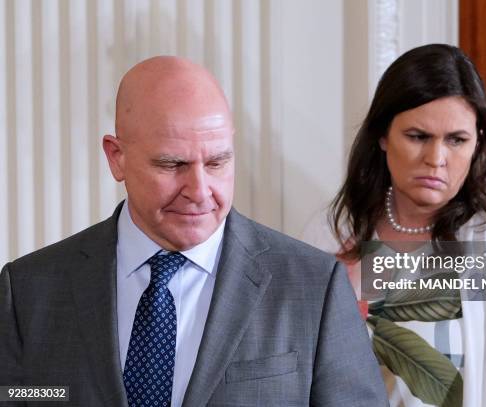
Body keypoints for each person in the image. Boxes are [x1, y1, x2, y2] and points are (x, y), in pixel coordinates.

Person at [0, 56, 388, 406]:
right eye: (172, 164)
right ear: (117, 158)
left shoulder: (313, 287)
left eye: (218, 162)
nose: (200, 191)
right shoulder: (30, 290)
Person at [302, 44, 486, 407]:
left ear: (478, 143)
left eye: (457, 140)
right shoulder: (329, 233)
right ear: (383, 136)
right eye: (418, 137)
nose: (436, 159)